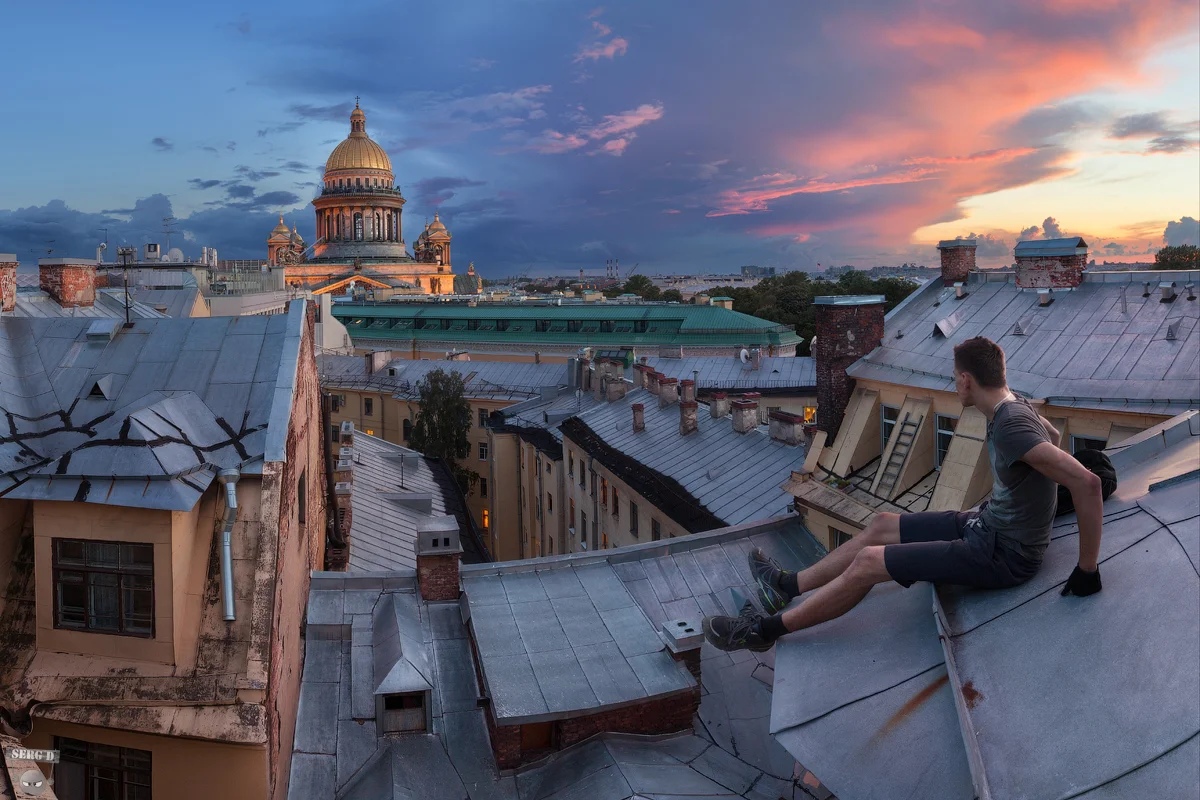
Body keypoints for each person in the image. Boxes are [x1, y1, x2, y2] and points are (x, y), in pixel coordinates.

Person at [703, 336, 1106, 653]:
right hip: (985, 526)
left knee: (868, 563)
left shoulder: (1010, 424)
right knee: (881, 525)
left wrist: (1087, 571)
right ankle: (788, 586)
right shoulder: (1014, 404)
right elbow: (1052, 437)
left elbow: (1087, 483)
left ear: (966, 379)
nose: (954, 384)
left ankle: (762, 632)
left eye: (955, 377)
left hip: (1003, 554)